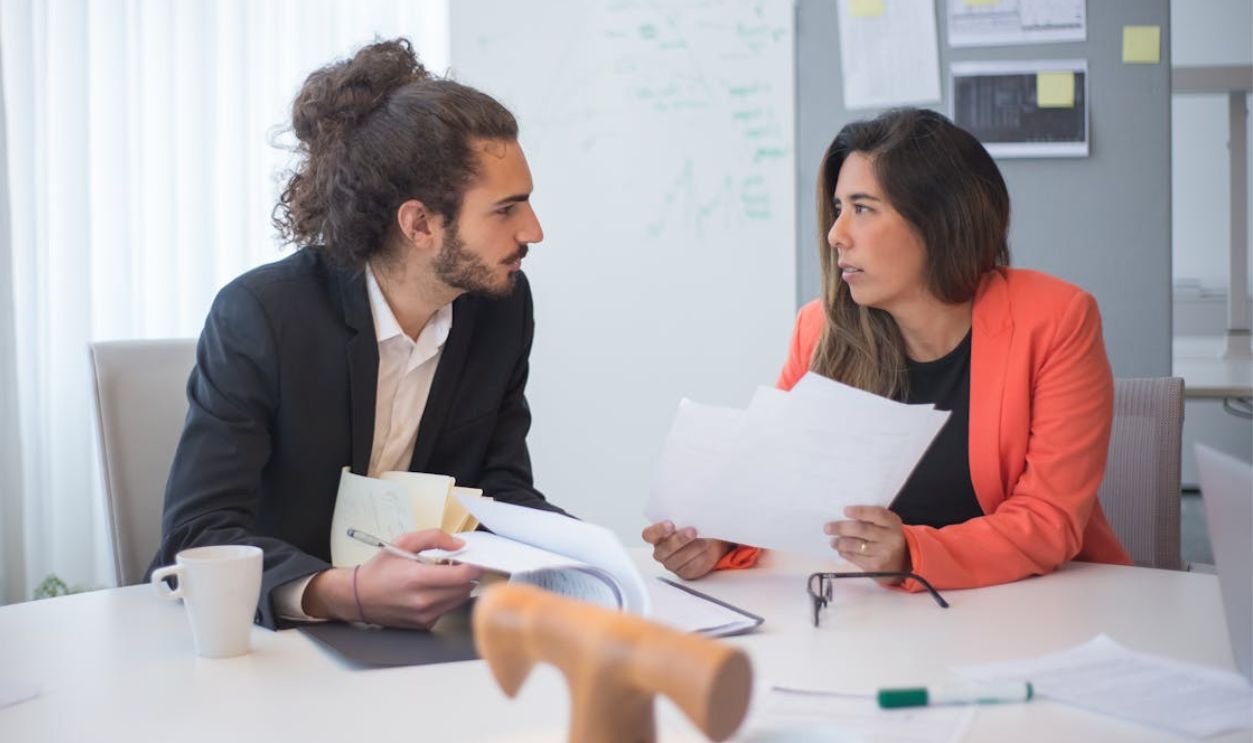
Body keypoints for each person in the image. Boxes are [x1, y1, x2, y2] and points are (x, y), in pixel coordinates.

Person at [150, 38, 565, 629]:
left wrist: (602, 560)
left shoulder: (499, 308)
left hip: (422, 639)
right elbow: (198, 533)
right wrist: (341, 592)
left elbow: (498, 493)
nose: (534, 230)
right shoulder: (262, 315)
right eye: (506, 209)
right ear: (419, 223)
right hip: (269, 645)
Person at [643, 107, 1131, 589]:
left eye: (862, 208)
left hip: (1039, 605)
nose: (836, 235)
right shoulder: (819, 328)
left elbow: (1049, 520)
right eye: (838, 210)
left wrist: (912, 553)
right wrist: (718, 543)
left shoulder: (1056, 319)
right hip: (878, 618)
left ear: (939, 220)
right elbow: (775, 489)